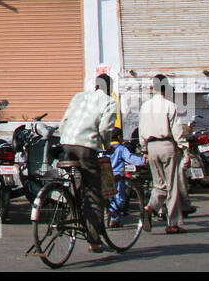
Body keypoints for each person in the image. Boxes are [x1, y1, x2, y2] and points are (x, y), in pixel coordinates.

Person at [57, 75, 118, 252]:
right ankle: (94, 239)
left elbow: (64, 121)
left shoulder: (79, 96)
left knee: (78, 180)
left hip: (67, 142)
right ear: (109, 88)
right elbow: (105, 128)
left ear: (95, 85)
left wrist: (65, 139)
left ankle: (72, 213)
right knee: (94, 191)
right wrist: (107, 145)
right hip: (86, 145)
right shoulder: (109, 102)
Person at [138, 76, 188, 234]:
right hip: (167, 145)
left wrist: (144, 150)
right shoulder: (169, 105)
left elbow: (141, 131)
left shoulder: (145, 106)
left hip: (151, 148)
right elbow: (176, 130)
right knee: (172, 186)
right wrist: (183, 147)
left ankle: (150, 207)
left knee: (159, 185)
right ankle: (172, 223)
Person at [106, 135, 144, 226]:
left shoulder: (105, 148)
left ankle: (112, 214)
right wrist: (143, 161)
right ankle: (113, 217)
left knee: (110, 197)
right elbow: (130, 158)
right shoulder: (121, 149)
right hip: (118, 176)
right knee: (120, 198)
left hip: (106, 176)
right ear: (119, 137)